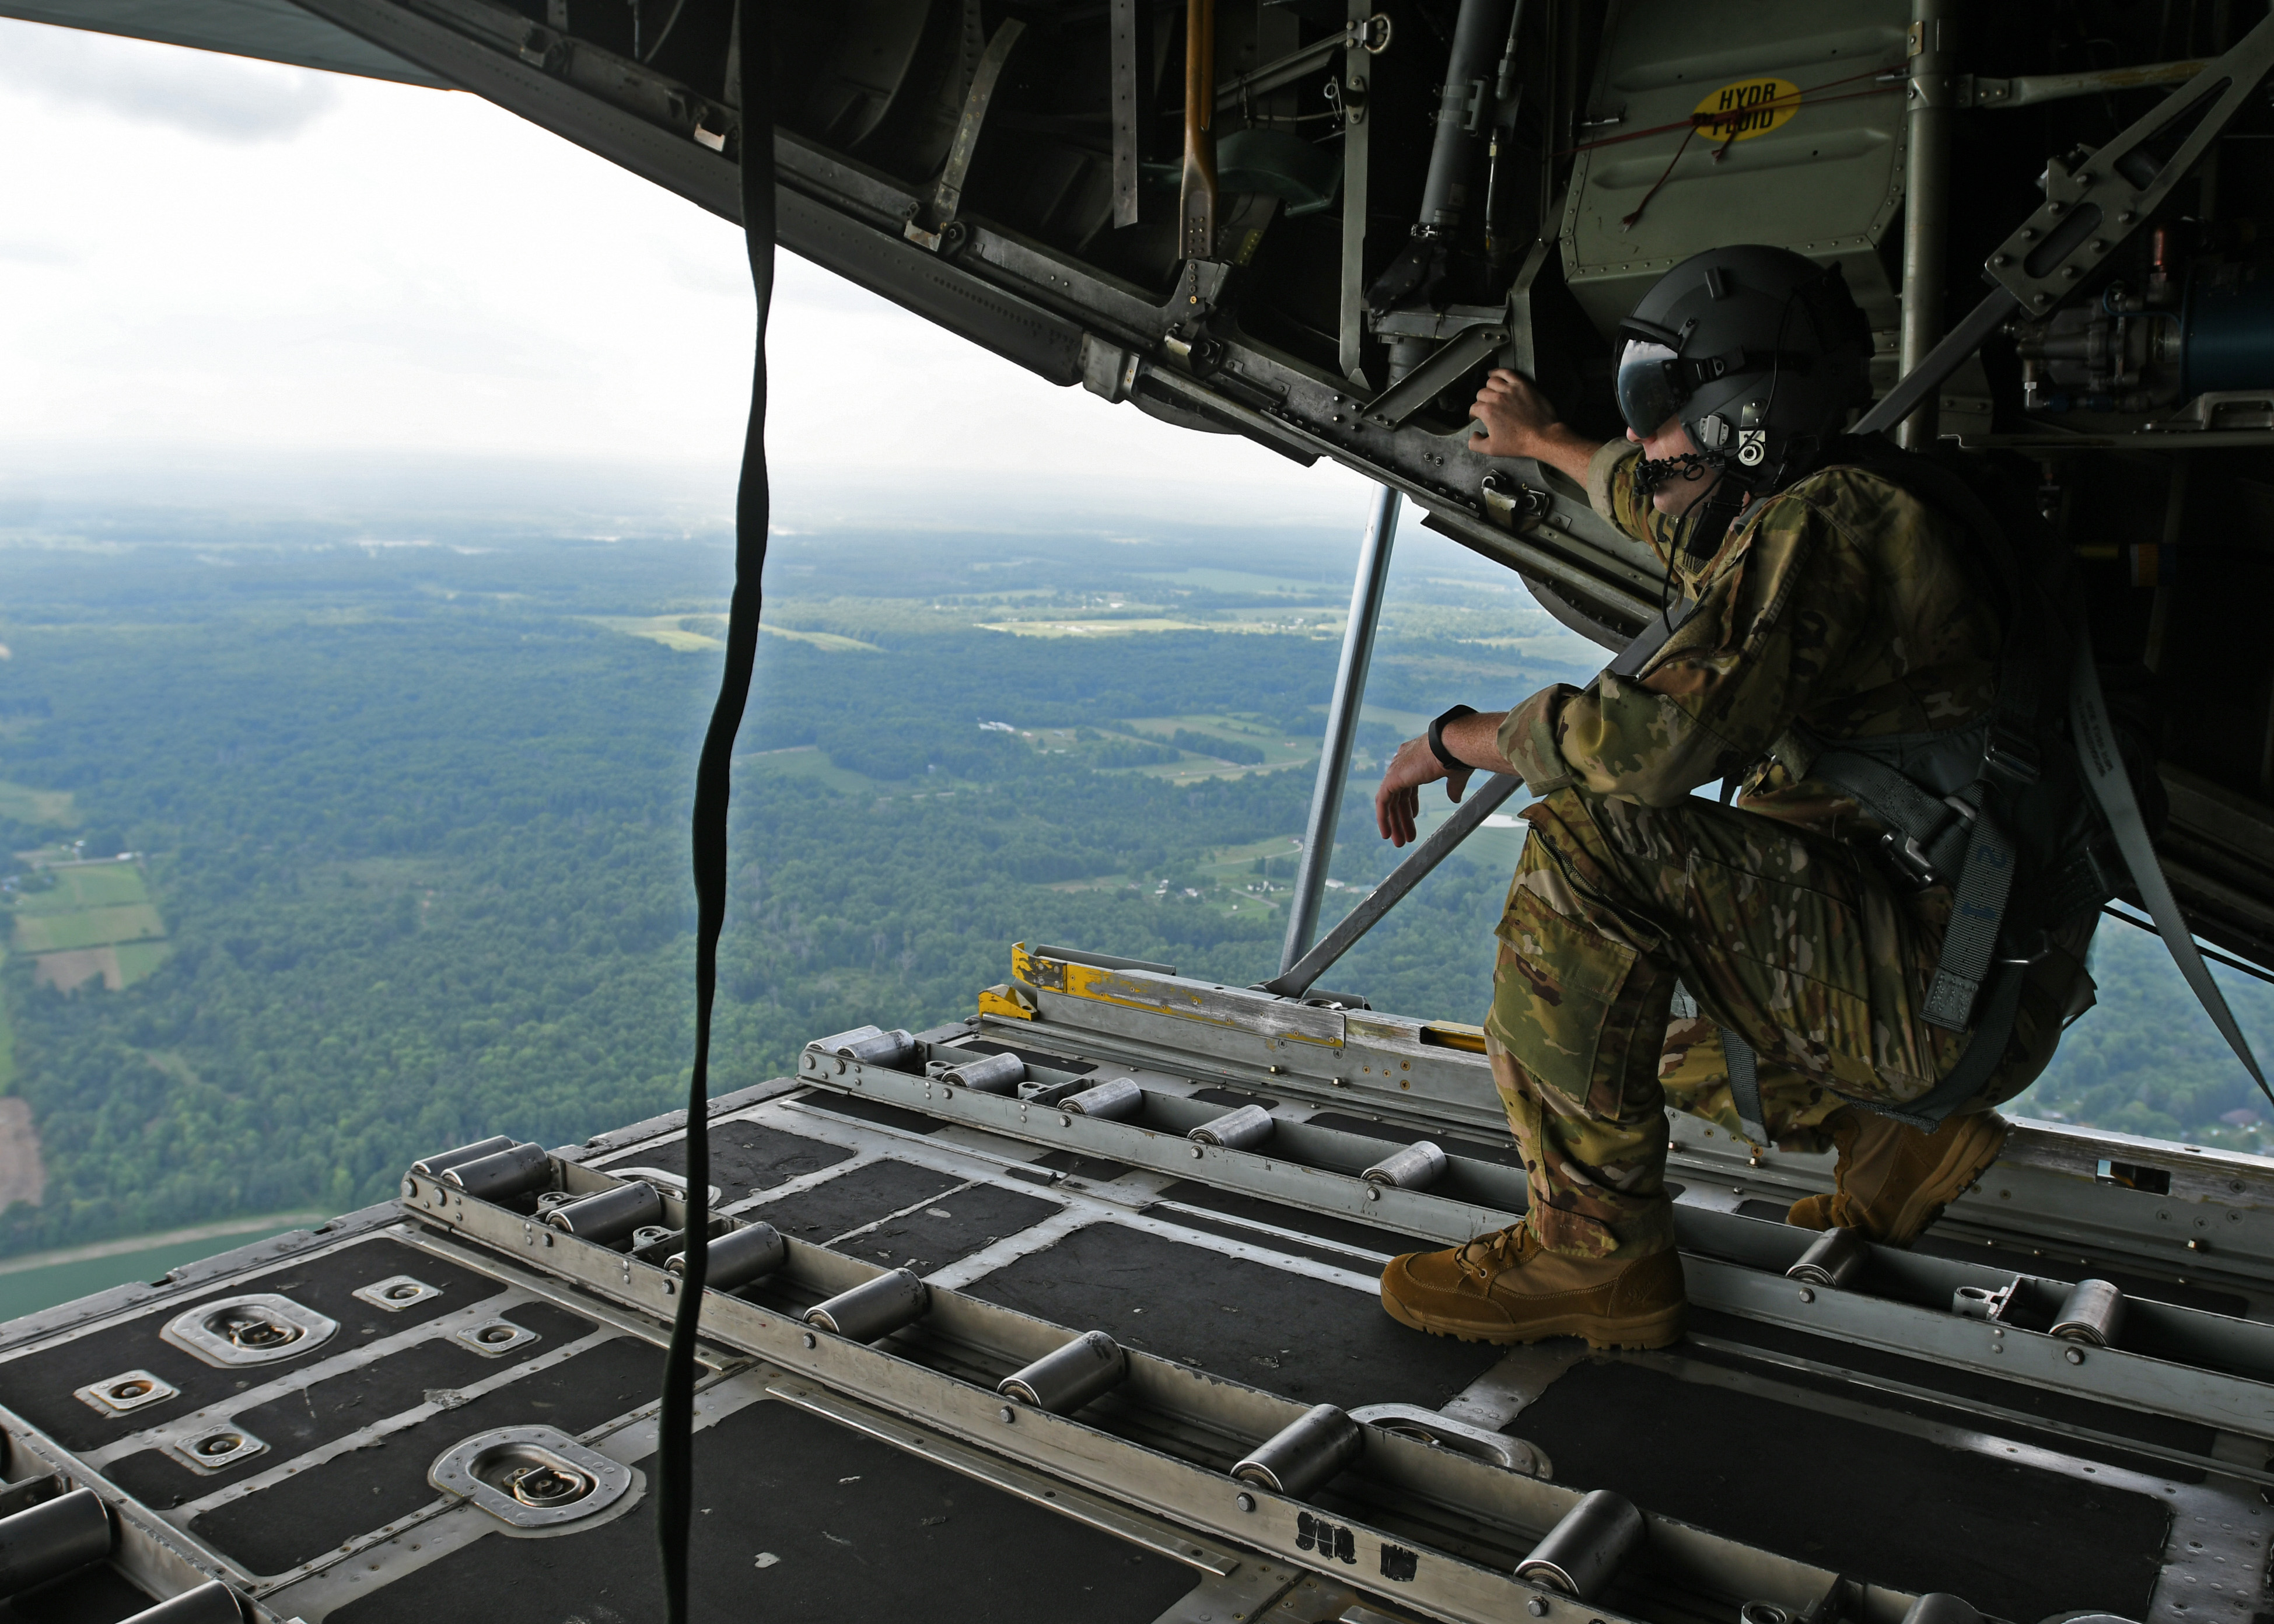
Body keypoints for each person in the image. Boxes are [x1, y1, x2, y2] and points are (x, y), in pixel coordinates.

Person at [1372, 244, 2099, 1350]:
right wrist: (1544, 439)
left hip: (1937, 990)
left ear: (1741, 412)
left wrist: (1452, 739)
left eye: (1658, 407)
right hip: (1964, 968)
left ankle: (1593, 1256)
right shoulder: (1857, 503)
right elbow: (1662, 503)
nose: (1646, 438)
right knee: (1633, 1039)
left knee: (1586, 839)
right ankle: (1891, 1142)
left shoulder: (1829, 522)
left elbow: (1648, 750)